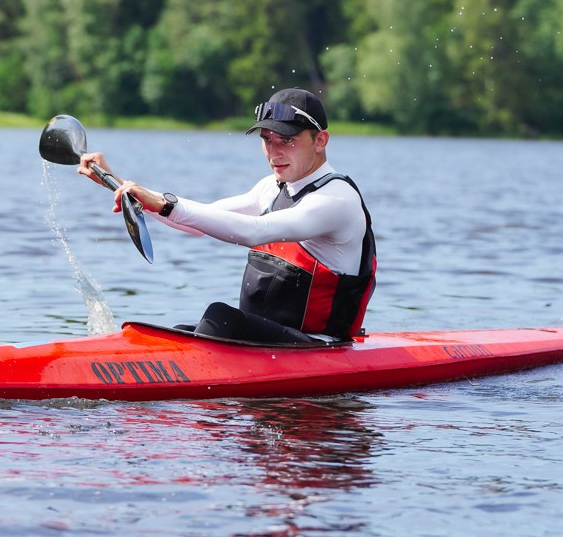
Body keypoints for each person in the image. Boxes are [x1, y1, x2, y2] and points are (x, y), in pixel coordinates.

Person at [78, 87, 376, 344]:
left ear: (321, 140)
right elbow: (198, 222)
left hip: (318, 347)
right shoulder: (271, 188)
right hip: (266, 343)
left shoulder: (336, 199)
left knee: (219, 316)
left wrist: (165, 202)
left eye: (287, 140)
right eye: (267, 139)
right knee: (179, 331)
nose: (274, 152)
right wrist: (116, 183)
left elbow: (255, 231)